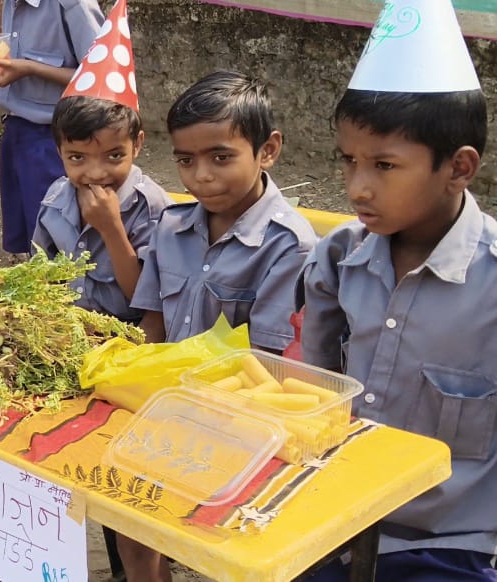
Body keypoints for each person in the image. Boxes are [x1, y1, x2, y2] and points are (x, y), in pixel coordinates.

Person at [300, 1, 497, 579]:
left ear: (459, 167)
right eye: (349, 161)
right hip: (332, 518)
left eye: (384, 166)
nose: (358, 187)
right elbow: (314, 387)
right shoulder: (338, 257)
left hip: (444, 540)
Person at [124, 70, 318, 581]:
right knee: (129, 514)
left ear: (268, 150)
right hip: (164, 405)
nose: (200, 177)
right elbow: (151, 322)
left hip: (240, 421)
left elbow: (267, 366)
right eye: (185, 161)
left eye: (220, 157)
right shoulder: (171, 226)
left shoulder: (289, 245)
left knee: (231, 547)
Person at [31, 0, 169, 326]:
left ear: (137, 145)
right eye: (77, 157)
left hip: (126, 339)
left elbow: (148, 302)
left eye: (114, 156)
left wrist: (111, 229)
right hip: (66, 334)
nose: (95, 173)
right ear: (59, 151)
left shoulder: (152, 209)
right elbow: (40, 272)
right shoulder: (55, 200)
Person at [0, 0, 104, 257]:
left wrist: (29, 69)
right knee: (34, 240)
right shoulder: (10, 4)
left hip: (57, 142)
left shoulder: (73, 4)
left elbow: (101, 73)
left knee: (61, 248)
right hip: (17, 135)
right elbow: (13, 58)